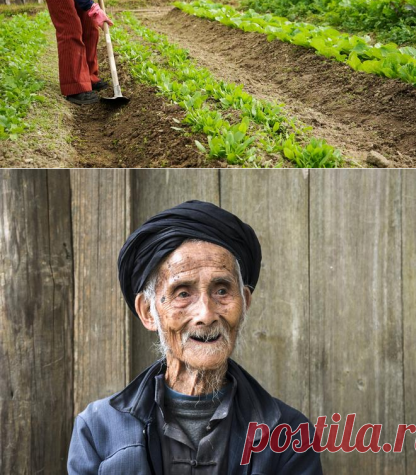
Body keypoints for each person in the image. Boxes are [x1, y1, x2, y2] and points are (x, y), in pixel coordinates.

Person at [67, 200, 322, 474]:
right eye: (183, 293)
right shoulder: (97, 429)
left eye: (222, 290)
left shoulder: (291, 435)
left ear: (245, 303)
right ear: (148, 312)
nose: (206, 314)